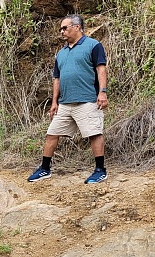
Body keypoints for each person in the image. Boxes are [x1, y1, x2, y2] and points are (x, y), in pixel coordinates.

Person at [27, 14, 109, 184]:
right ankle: (45, 169)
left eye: (65, 28)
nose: (62, 32)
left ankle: (100, 170)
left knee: (94, 133)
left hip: (87, 100)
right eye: (61, 29)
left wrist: (102, 92)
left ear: (77, 27)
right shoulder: (61, 53)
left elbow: (101, 69)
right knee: (52, 134)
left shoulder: (93, 45)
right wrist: (54, 101)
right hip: (65, 103)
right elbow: (57, 78)